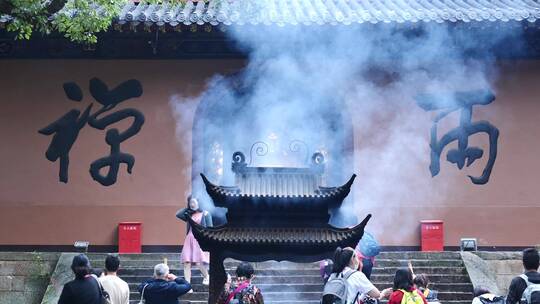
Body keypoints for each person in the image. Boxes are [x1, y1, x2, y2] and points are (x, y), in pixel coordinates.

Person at [323, 247, 389, 304]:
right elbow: (376, 294)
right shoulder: (356, 275)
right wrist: (383, 293)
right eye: (357, 257)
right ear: (352, 259)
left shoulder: (333, 275)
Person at [176, 195, 212, 286]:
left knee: (198, 261)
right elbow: (178, 214)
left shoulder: (206, 214)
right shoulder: (189, 214)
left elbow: (210, 229)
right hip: (189, 239)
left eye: (194, 202)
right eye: (190, 202)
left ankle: (207, 276)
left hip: (199, 239)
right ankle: (187, 285)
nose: (192, 204)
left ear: (199, 203)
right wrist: (188, 208)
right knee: (186, 262)